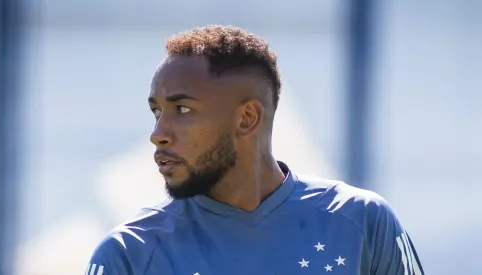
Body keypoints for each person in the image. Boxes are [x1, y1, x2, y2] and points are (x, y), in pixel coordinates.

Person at [86, 25, 424, 275]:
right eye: (157, 112)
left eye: (183, 110)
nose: (158, 134)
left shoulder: (361, 222)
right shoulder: (128, 254)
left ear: (247, 118)